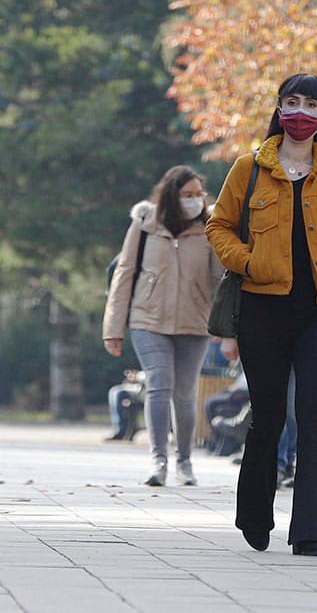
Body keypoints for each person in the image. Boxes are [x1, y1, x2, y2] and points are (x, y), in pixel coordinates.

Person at [206, 73, 317, 558]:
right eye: (291, 102)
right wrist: (247, 261)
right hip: (262, 309)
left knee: (312, 416)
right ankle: (255, 516)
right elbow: (217, 226)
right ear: (279, 109)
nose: (300, 112)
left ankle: (312, 532)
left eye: (311, 104)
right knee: (268, 414)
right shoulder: (248, 168)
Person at [102, 166, 223, 486]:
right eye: (188, 195)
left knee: (184, 394)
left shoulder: (209, 226)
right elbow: (124, 272)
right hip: (148, 319)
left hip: (194, 322)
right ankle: (158, 461)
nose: (195, 201)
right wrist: (113, 328)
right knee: (159, 384)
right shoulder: (145, 223)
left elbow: (221, 277)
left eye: (199, 195)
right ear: (171, 195)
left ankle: (184, 461)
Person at [105, 370, 146, 441]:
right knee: (114, 391)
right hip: (145, 387)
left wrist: (137, 376)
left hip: (150, 391)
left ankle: (122, 430)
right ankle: (120, 429)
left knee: (119, 393)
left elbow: (152, 373)